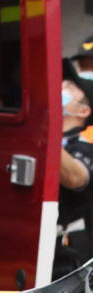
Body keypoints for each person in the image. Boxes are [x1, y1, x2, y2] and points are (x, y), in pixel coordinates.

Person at [54, 71, 93, 278]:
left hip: (72, 261)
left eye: (69, 89)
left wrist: (47, 129)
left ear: (83, 110)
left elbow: (76, 178)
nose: (61, 88)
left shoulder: (86, 147)